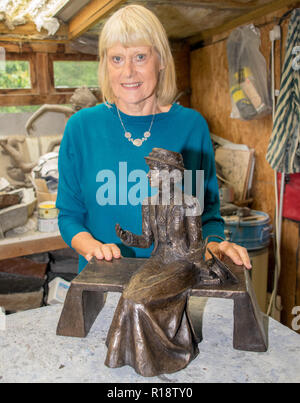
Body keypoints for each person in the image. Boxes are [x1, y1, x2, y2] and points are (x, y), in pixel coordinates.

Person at [56, 4, 251, 276]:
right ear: (105, 65)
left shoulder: (191, 127)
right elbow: (69, 216)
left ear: (160, 61)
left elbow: (207, 217)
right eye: (117, 59)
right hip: (104, 280)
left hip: (177, 280)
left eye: (139, 57)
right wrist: (91, 246)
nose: (128, 72)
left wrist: (216, 246)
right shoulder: (81, 128)